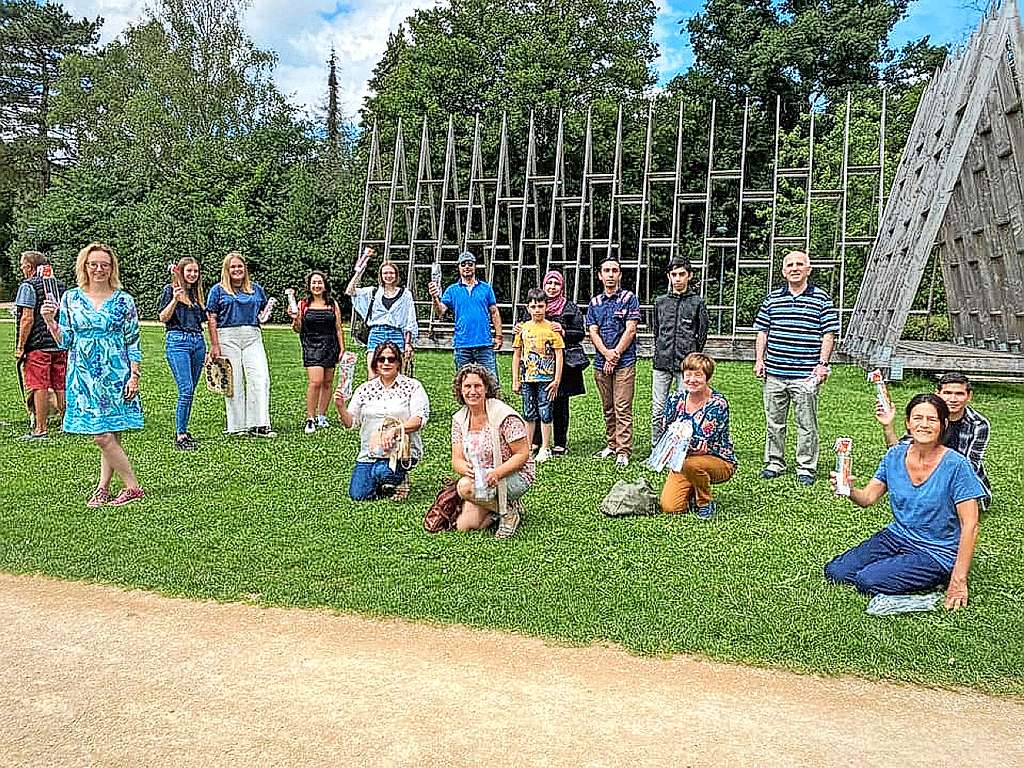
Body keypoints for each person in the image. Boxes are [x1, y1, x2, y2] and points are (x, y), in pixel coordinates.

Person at [825, 394, 983, 610]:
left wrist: (959, 580)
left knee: (867, 580)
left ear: (943, 424)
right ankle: (900, 566)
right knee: (837, 572)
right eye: (918, 418)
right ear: (908, 423)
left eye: (932, 419)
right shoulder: (894, 456)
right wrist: (848, 489)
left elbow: (971, 526)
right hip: (898, 537)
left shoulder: (957, 465)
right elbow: (868, 498)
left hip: (936, 550)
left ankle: (937, 575)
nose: (924, 424)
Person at [39, 243, 144, 507]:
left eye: (104, 265)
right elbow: (66, 340)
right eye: (93, 264)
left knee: (107, 434)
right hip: (84, 375)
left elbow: (132, 339)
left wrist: (134, 374)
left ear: (112, 268)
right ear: (84, 266)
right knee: (103, 435)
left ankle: (131, 488)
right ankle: (104, 488)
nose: (99, 269)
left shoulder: (124, 300)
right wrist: (51, 321)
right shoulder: (71, 298)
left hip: (116, 372)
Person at [753, 250, 839, 485]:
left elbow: (828, 334)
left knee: (806, 424)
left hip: (805, 374)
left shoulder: (821, 299)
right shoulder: (772, 299)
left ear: (808, 269)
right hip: (775, 373)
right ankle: (774, 462)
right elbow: (762, 331)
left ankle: (806, 467)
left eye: (799, 264)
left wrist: (822, 364)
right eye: (789, 265)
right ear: (783, 271)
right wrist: (759, 360)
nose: (794, 268)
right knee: (774, 422)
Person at [876, 372, 992, 509]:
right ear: (938, 394)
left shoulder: (979, 424)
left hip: (962, 482)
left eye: (959, 394)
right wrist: (888, 426)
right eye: (947, 393)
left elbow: (970, 468)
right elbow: (898, 454)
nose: (953, 399)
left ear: (969, 396)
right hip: (926, 478)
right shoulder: (927, 419)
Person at [333, 342, 429, 500]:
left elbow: (419, 420)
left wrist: (394, 430)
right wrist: (340, 407)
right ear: (375, 363)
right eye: (381, 359)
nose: (386, 363)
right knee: (359, 495)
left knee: (382, 472)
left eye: (391, 359)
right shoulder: (364, 389)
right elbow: (350, 423)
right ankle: (382, 480)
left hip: (400, 452)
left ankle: (397, 477)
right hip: (370, 452)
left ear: (399, 363)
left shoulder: (413, 387)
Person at [450, 364, 535, 538]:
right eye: (467, 386)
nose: (472, 391)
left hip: (512, 474)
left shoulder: (503, 415)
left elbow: (523, 454)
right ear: (460, 390)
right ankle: (501, 505)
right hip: (481, 477)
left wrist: (497, 473)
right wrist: (464, 469)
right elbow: (456, 458)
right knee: (464, 525)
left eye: (477, 386)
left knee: (464, 487)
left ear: (486, 388)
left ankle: (508, 513)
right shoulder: (459, 419)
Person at [659, 353, 737, 519]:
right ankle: (693, 490)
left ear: (707, 377)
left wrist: (677, 442)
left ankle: (705, 502)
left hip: (717, 458)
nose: (692, 380)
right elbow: (666, 431)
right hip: (682, 459)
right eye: (688, 374)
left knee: (692, 465)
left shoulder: (717, 403)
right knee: (670, 507)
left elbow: (702, 443)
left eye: (698, 375)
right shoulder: (675, 399)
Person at [206, 251, 275, 437]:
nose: (237, 270)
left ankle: (260, 424)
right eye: (233, 267)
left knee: (260, 377)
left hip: (252, 335)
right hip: (227, 336)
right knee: (233, 380)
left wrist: (266, 315)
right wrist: (214, 344)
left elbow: (262, 314)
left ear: (245, 268)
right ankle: (237, 426)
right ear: (227, 270)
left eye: (240, 266)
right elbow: (211, 318)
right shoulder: (218, 290)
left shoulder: (256, 289)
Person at [525, 270, 588, 456]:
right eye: (549, 283)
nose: (552, 287)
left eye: (556, 284)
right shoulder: (536, 304)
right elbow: (525, 326)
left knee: (560, 403)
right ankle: (536, 441)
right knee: (536, 402)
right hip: (538, 365)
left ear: (562, 287)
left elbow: (580, 333)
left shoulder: (569, 307)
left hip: (564, 363)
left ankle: (560, 442)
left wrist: (564, 330)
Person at [586, 257, 641, 468]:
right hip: (601, 363)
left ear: (619, 274)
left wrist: (615, 354)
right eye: (606, 270)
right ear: (600, 275)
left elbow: (631, 329)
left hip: (624, 361)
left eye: (614, 270)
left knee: (622, 406)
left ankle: (624, 450)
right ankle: (612, 444)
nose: (610, 274)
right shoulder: (595, 303)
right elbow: (593, 332)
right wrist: (607, 355)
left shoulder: (629, 298)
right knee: (608, 407)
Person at [651, 258, 709, 449]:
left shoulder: (697, 303)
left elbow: (702, 333)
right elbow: (656, 330)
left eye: (681, 274)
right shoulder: (660, 302)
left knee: (685, 408)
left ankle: (679, 448)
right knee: (658, 409)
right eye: (674, 274)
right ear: (669, 276)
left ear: (689, 275)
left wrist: (692, 356)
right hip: (661, 364)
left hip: (686, 367)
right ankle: (657, 448)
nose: (677, 279)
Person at [14, 250, 66, 440]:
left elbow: (27, 318)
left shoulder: (28, 286)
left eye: (22, 265)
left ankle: (40, 429)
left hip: (38, 345)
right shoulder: (59, 286)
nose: (21, 268)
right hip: (59, 342)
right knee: (61, 384)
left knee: (39, 385)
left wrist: (20, 347)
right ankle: (65, 423)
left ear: (29, 267)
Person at [428, 250, 502, 382]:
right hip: (462, 345)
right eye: (463, 264)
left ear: (475, 266)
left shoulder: (486, 288)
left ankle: (492, 402)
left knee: (492, 383)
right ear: (459, 268)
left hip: (484, 343)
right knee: (463, 383)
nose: (466, 267)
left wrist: (499, 336)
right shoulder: (452, 290)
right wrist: (434, 297)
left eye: (470, 264)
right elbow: (441, 311)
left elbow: (494, 312)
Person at [157, 257, 207, 450]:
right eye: (189, 271)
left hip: (197, 342)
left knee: (190, 391)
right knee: (185, 389)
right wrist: (175, 300)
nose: (193, 274)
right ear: (182, 271)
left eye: (196, 271)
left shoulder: (197, 294)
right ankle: (180, 435)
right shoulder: (170, 291)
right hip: (177, 340)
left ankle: (185, 429)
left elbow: (202, 320)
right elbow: (163, 317)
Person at [512, 287, 564, 463]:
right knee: (528, 412)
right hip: (528, 378)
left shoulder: (552, 328)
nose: (537, 310)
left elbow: (559, 354)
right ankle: (527, 447)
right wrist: (516, 379)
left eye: (540, 306)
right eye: (533, 307)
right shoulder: (523, 329)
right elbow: (517, 354)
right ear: (528, 308)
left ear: (546, 307)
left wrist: (557, 379)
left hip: (546, 379)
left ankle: (545, 447)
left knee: (545, 411)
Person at [290, 271, 345, 434]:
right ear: (309, 286)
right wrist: (295, 318)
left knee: (328, 382)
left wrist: (342, 348)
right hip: (311, 344)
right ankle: (310, 418)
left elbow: (338, 328)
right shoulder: (302, 304)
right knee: (316, 381)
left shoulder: (332, 304)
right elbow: (297, 329)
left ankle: (322, 415)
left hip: (330, 344)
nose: (317, 286)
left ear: (325, 285)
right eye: (314, 283)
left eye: (319, 282)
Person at [345, 249, 418, 372]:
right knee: (373, 374)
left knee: (395, 375)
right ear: (381, 275)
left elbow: (410, 320)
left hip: (396, 334)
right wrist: (360, 269)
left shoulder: (405, 295)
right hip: (376, 334)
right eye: (385, 273)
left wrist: (408, 343)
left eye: (391, 273)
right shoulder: (373, 292)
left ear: (396, 275)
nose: (388, 276)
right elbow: (350, 291)